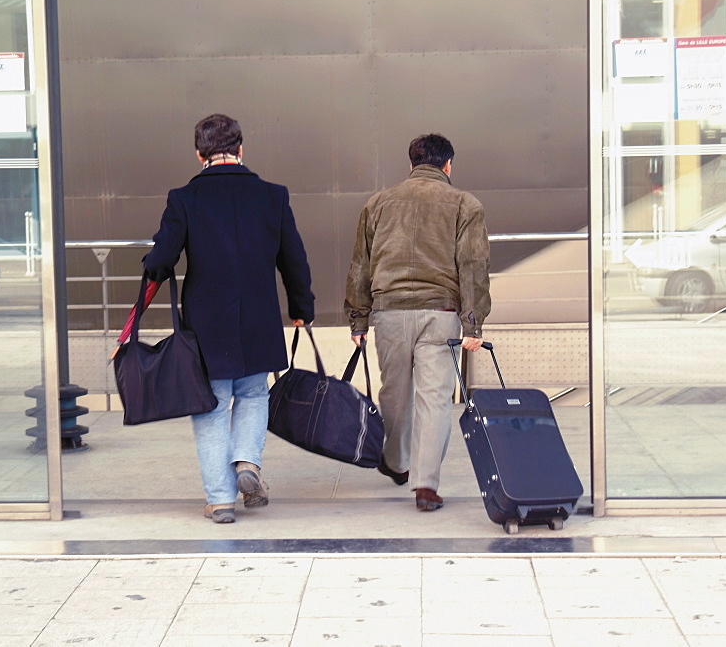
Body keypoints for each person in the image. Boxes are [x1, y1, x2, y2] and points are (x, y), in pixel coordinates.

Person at [141, 114, 315, 524]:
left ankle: (220, 499)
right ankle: (247, 463)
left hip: (207, 324)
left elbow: (161, 260)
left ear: (198, 153)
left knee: (212, 406)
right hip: (258, 318)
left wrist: (153, 259)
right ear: (241, 149)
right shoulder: (273, 196)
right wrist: (301, 309)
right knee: (254, 394)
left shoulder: (184, 198)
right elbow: (294, 259)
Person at [344, 133, 491, 512]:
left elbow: (361, 265)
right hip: (440, 315)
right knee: (435, 399)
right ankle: (426, 485)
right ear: (448, 165)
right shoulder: (464, 204)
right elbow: (473, 265)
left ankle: (395, 461)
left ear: (411, 164)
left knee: (394, 394)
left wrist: (359, 319)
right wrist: (473, 324)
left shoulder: (377, 203)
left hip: (389, 312)